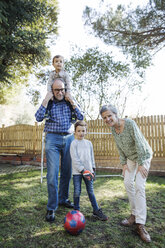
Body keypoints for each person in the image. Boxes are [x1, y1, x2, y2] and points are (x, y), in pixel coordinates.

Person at [100, 104, 153, 243]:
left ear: (116, 114)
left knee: (139, 186)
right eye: (104, 117)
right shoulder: (113, 129)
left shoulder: (129, 124)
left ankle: (140, 225)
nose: (107, 119)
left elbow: (140, 143)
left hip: (143, 156)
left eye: (109, 116)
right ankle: (134, 214)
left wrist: (142, 163)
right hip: (130, 158)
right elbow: (119, 146)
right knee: (127, 182)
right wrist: (123, 163)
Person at [35, 78, 84, 222]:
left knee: (67, 172)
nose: (60, 92)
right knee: (52, 174)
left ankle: (63, 199)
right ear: (52, 90)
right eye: (57, 90)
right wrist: (45, 99)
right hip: (52, 139)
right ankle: (51, 207)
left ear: (65, 89)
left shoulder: (70, 102)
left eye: (62, 89)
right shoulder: (49, 103)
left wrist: (73, 101)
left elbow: (81, 117)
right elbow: (38, 118)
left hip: (69, 138)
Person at [70, 120, 108, 221]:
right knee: (77, 192)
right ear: (75, 132)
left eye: (83, 131)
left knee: (91, 191)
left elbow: (91, 157)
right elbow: (75, 159)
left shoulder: (89, 143)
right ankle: (76, 211)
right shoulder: (73, 144)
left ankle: (96, 210)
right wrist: (83, 171)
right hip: (77, 172)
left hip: (89, 172)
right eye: (78, 131)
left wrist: (93, 169)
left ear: (86, 131)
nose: (81, 133)